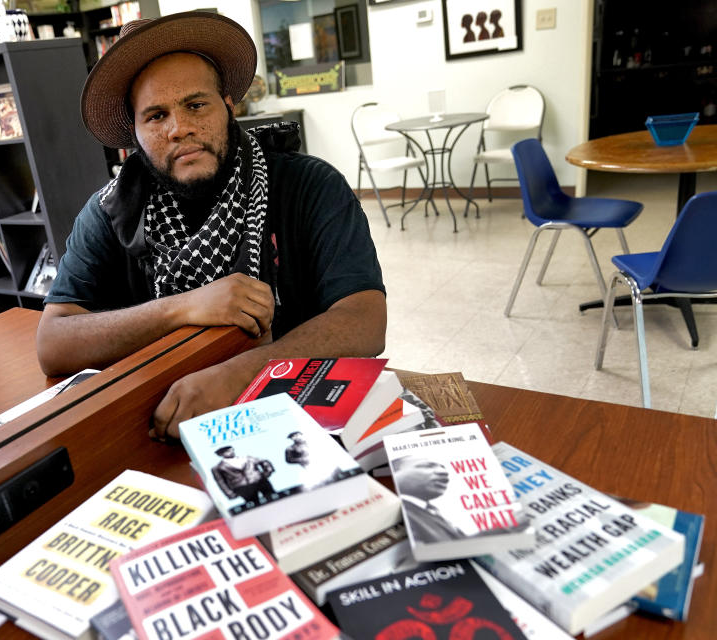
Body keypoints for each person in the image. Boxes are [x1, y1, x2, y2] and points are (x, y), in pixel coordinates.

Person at [36, 12, 386, 440]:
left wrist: (242, 373)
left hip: (297, 421)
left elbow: (365, 318)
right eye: (156, 116)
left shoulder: (309, 185)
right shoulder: (111, 211)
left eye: (196, 105)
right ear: (135, 134)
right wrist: (182, 306)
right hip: (160, 425)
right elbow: (53, 342)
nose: (180, 128)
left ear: (228, 105)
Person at [391, 456, 464, 543]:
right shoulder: (398, 513)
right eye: (427, 466)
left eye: (443, 467)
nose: (443, 472)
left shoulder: (432, 512)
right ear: (394, 473)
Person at [210, 446, 275, 505]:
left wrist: (267, 472)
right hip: (243, 488)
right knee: (253, 505)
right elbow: (221, 482)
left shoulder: (247, 458)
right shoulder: (218, 467)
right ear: (220, 454)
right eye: (226, 451)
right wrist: (229, 493)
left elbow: (263, 461)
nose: (229, 452)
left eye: (230, 450)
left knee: (274, 498)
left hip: (261, 482)